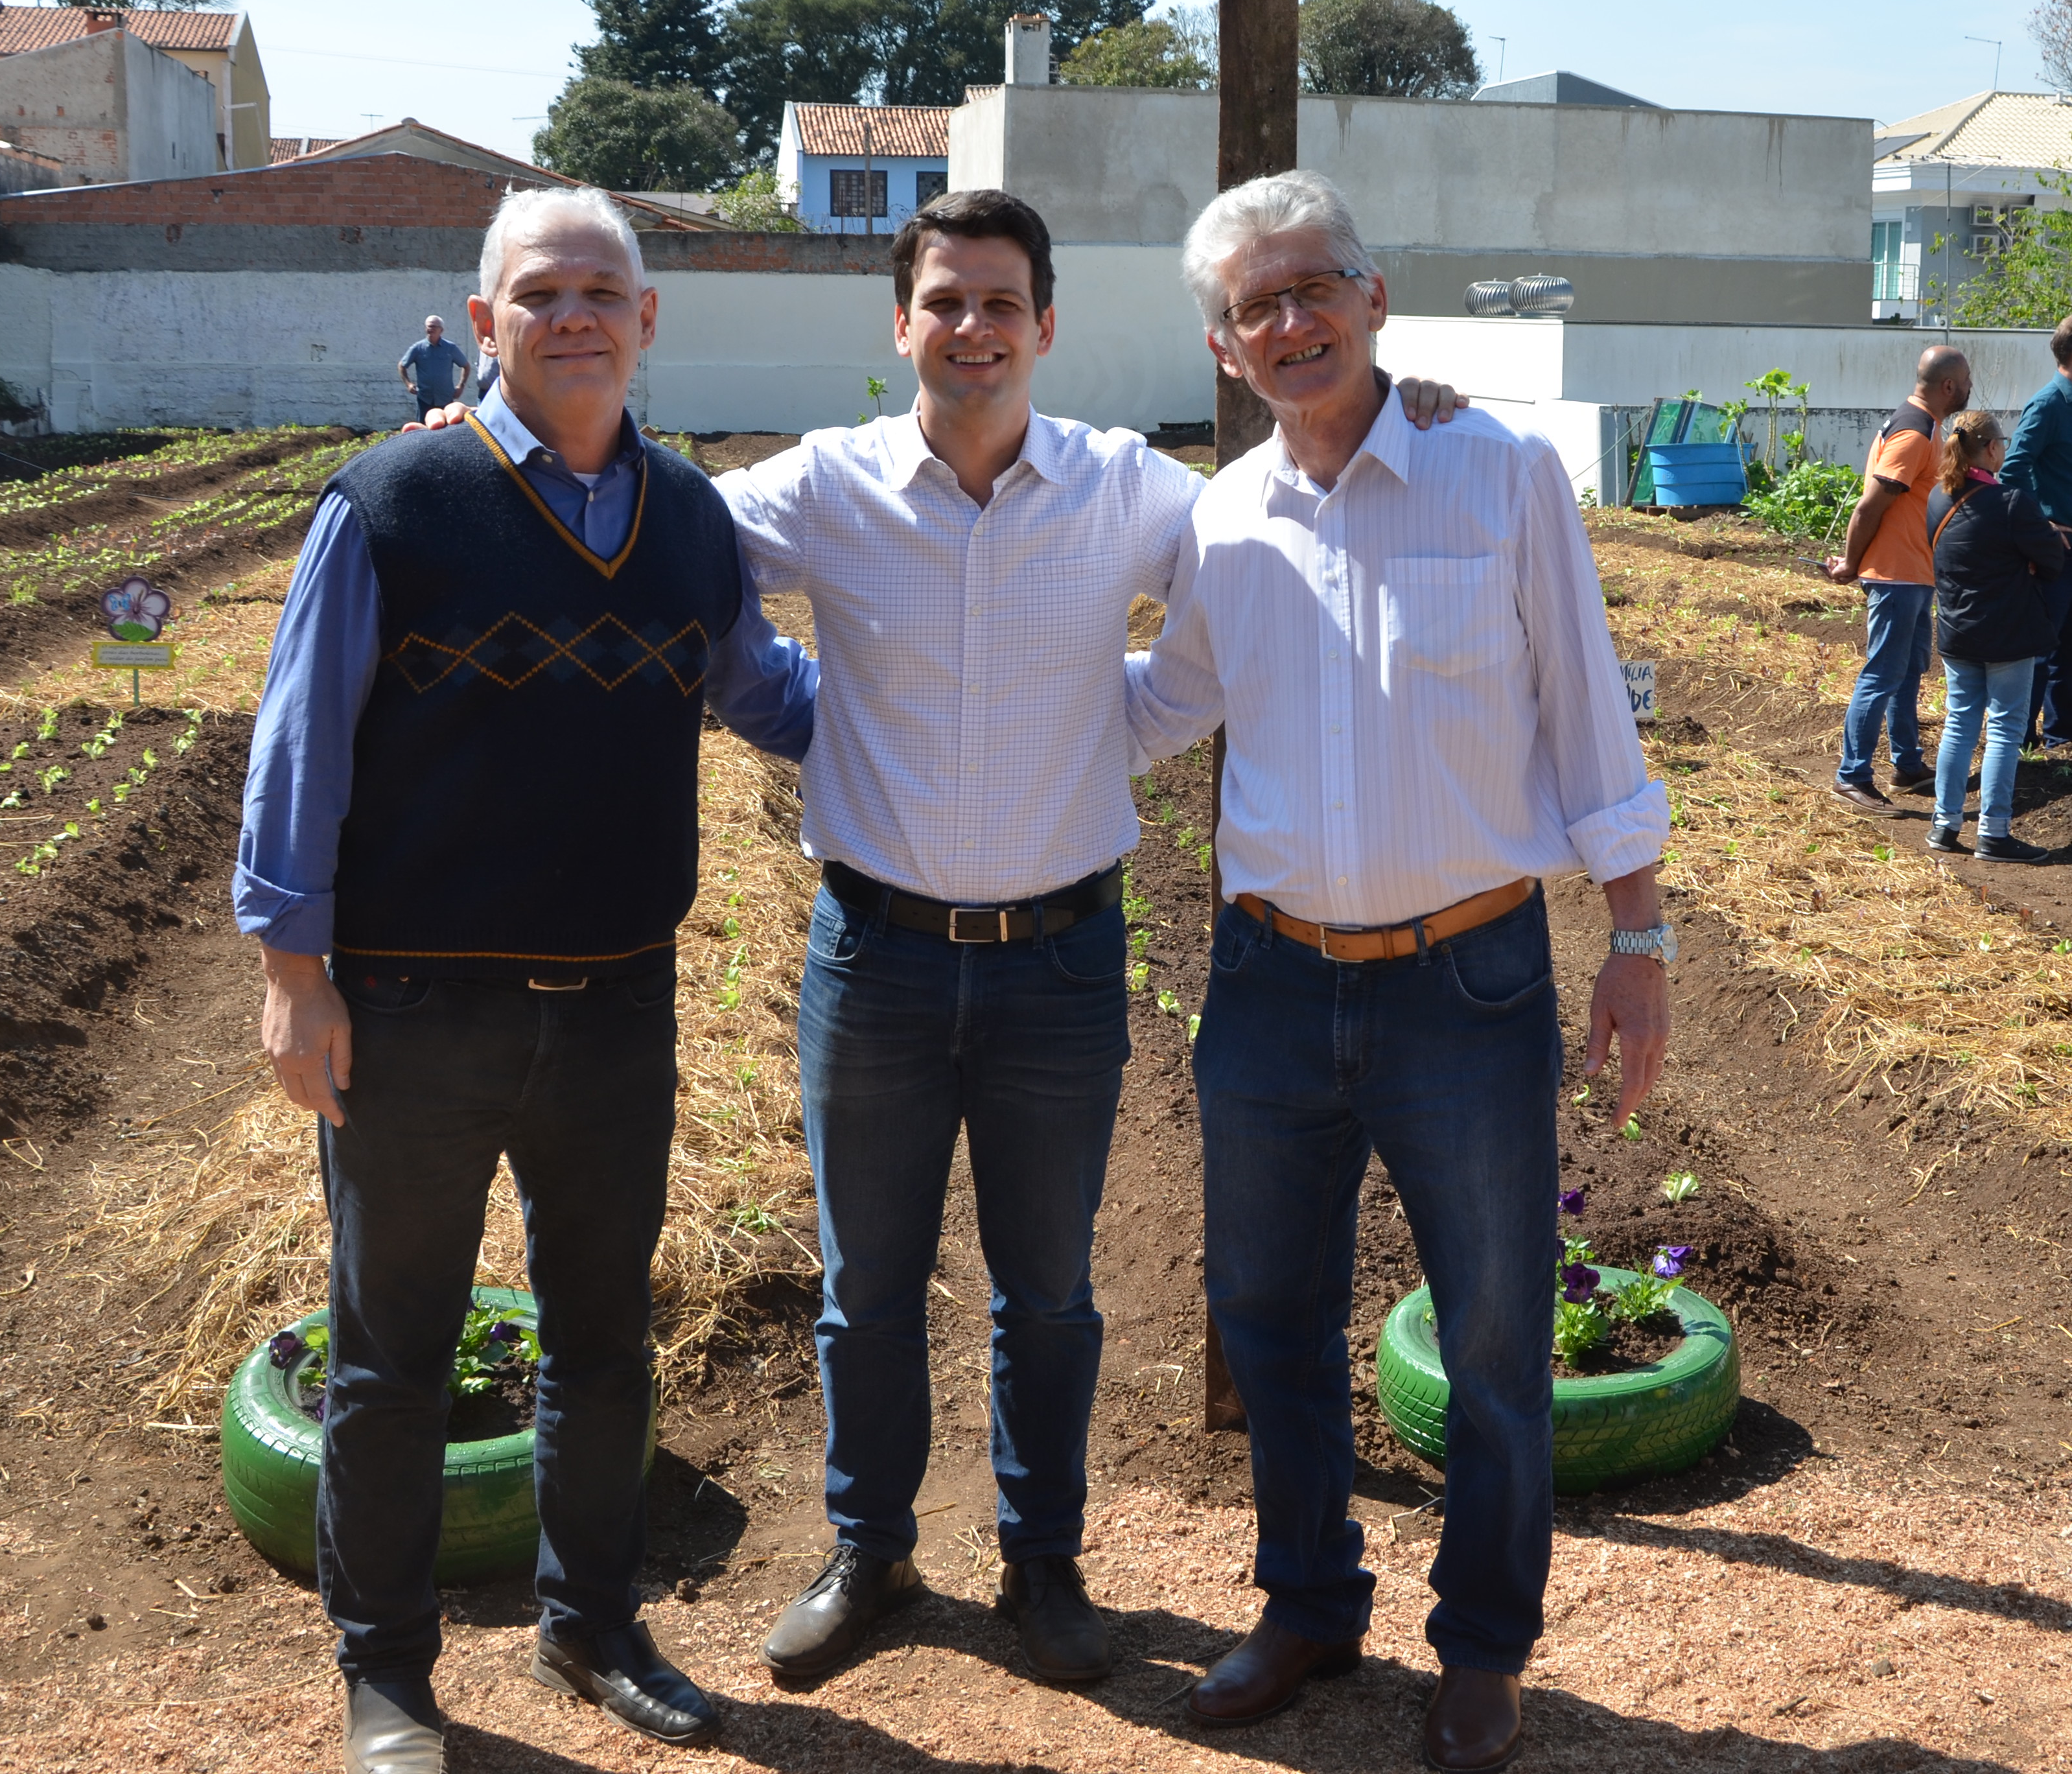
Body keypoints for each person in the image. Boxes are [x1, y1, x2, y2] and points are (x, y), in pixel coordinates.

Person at [703, 191, 1469, 1691]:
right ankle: (870, 1549)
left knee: (1045, 1287)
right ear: (903, 324)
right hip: (878, 956)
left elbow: (1259, 561)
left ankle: (1040, 1565)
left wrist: (1412, 407)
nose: (973, 328)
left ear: (1045, 325)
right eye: (946, 302)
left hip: (1061, 962)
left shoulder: (1130, 491)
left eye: (1001, 302)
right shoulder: (827, 489)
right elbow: (681, 559)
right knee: (868, 1281)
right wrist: (788, 709)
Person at [240, 187, 822, 1774]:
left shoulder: (691, 522)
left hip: (616, 1005)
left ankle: (595, 1623)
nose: (576, 316)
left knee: (603, 1335)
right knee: (393, 1352)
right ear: (484, 321)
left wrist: (981, 709)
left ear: (648, 323)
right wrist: (295, 972)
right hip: (416, 1014)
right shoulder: (396, 501)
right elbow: (299, 748)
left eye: (603, 292)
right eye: (542, 291)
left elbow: (768, 697)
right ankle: (391, 1675)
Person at [1125, 170, 1671, 1774]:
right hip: (1271, 985)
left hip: (1468, 982)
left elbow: (1589, 719)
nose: (1287, 322)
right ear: (1225, 351)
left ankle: (1487, 1646)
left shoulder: (1499, 475)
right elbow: (1160, 710)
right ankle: (1307, 1603)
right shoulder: (1223, 519)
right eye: (1252, 307)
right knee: (1270, 1316)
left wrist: (1639, 940)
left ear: (1375, 299)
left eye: (1313, 288)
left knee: (1497, 1338)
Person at [1821, 345, 1970, 808]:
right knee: (1882, 673)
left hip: (1913, 572)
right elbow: (1871, 505)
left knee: (1907, 671)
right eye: (1966, 380)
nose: (1969, 388)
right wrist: (1850, 561)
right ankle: (1852, 775)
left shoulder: (1923, 425)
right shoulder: (1915, 431)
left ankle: (1907, 764)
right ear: (1948, 386)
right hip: (1896, 573)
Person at [1925, 411, 2067, 862]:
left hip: (1956, 632)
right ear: (1989, 449)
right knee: (2005, 728)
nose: (2005, 449)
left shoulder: (1935, 499)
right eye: (2002, 442)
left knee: (1960, 723)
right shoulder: (2012, 503)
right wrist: (2029, 554)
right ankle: (1994, 832)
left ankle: (1944, 825)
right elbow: (2052, 564)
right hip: (2008, 634)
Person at [2006, 314, 2072, 748]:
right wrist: (2042, 524)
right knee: (2040, 652)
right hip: (2060, 554)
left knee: (2066, 654)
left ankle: (2060, 738)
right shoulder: (2049, 403)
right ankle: (2020, 740)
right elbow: (2013, 469)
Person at [397, 315, 471, 425]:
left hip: (445, 398)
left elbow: (466, 366)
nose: (431, 329)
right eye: (429, 326)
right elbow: (402, 365)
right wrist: (408, 384)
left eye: (434, 327)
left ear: (441, 330)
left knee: (446, 429)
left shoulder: (450, 348)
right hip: (425, 398)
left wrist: (461, 386)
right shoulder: (418, 348)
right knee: (424, 430)